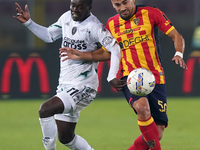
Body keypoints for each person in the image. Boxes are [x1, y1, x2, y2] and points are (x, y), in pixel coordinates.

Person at [59, 0, 188, 149]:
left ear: (133, 0)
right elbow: (106, 53)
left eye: (125, 3)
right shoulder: (112, 23)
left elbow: (176, 36)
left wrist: (179, 53)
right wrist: (81, 55)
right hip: (129, 77)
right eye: (117, 5)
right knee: (142, 108)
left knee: (157, 133)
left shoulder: (151, 13)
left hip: (154, 78)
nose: (122, 8)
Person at [13, 0, 121, 150]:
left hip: (84, 87)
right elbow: (49, 36)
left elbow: (115, 48)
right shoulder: (66, 18)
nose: (75, 10)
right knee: (66, 138)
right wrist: (29, 23)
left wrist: (112, 76)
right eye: (72, 6)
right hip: (65, 85)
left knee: (45, 110)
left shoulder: (94, 26)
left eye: (80, 7)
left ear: (89, 8)